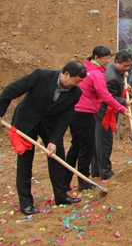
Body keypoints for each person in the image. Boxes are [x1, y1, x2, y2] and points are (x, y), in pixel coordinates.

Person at [0, 61, 87, 215]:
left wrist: (53, 141)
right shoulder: (41, 75)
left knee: (57, 155)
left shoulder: (75, 93)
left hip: (50, 125)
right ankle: (26, 203)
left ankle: (61, 196)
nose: (77, 84)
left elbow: (64, 119)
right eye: (77, 80)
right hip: (27, 121)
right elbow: (10, 91)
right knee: (25, 160)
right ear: (66, 74)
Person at [67, 46, 129, 192]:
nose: (107, 61)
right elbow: (105, 96)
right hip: (85, 113)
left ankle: (65, 181)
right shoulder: (96, 74)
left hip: (75, 112)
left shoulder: (85, 69)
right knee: (86, 149)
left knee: (76, 147)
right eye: (105, 58)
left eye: (109, 58)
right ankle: (83, 181)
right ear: (96, 57)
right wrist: (121, 108)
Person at [91, 51, 132, 179]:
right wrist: (124, 102)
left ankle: (96, 170)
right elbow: (109, 97)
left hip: (100, 111)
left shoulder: (110, 68)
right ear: (117, 62)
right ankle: (106, 172)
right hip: (105, 112)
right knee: (104, 142)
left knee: (98, 140)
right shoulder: (112, 78)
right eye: (124, 66)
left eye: (129, 66)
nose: (127, 69)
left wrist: (122, 73)